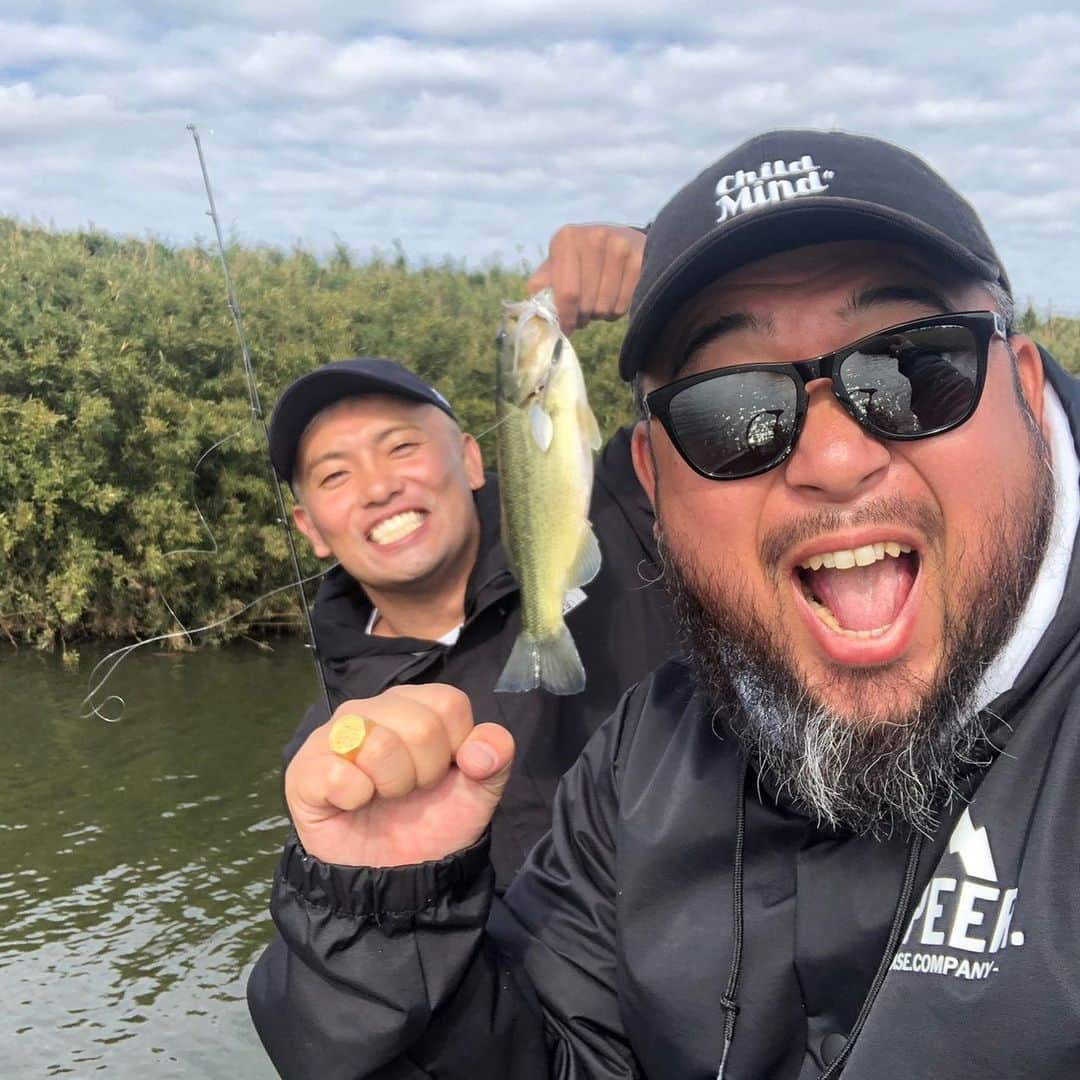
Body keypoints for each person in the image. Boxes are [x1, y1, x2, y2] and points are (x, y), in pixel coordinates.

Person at [249, 129, 1080, 1078]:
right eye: (731, 415)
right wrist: (385, 921)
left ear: (1022, 387)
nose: (836, 457)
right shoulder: (639, 766)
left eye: (916, 370)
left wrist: (564, 300)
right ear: (658, 478)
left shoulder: (593, 551)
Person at [263, 277, 673, 894]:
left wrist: (660, 276)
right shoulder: (333, 744)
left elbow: (723, 412)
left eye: (401, 446)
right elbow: (368, 967)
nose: (378, 488)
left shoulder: (622, 508)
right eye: (335, 475)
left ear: (472, 460)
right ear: (309, 527)